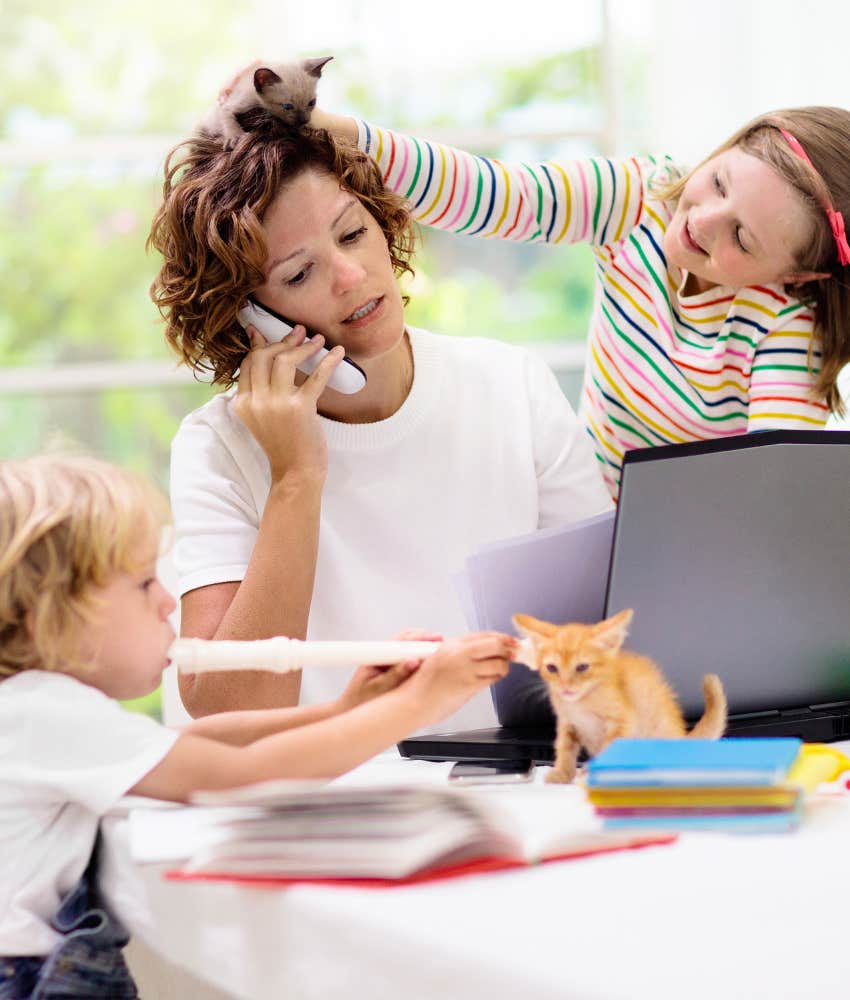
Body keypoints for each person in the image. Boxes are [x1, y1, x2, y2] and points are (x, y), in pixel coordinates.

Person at [148, 117, 612, 725]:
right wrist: (295, 477)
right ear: (245, 319)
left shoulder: (510, 385)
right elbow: (229, 710)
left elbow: (608, 633)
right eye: (297, 274)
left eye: (351, 233)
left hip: (506, 784)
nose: (350, 275)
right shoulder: (218, 448)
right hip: (317, 797)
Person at [0, 453, 515, 998]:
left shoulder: (36, 712)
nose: (167, 600)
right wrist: (418, 707)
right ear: (54, 615)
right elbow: (234, 777)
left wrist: (345, 712)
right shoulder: (42, 712)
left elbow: (187, 746)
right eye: (144, 582)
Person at [310, 105, 850, 499]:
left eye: (742, 237)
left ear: (797, 273)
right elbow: (492, 195)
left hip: (683, 550)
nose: (702, 221)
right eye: (719, 182)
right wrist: (329, 126)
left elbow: (774, 495)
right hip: (576, 509)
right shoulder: (639, 198)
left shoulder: (786, 327)